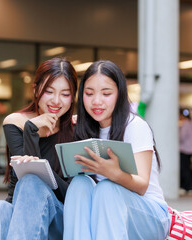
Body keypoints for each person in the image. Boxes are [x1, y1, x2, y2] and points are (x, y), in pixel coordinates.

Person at [63, 60, 170, 240]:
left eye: (106, 94)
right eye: (89, 94)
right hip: (105, 212)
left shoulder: (135, 126)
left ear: (119, 94)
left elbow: (142, 185)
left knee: (107, 188)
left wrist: (113, 173)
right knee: (79, 185)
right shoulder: (82, 127)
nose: (97, 101)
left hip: (149, 215)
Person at [0, 57, 78, 240]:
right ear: (36, 89)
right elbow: (23, 181)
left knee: (32, 181)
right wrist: (31, 128)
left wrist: (40, 166)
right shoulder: (15, 122)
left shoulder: (77, 129)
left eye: (65, 94)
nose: (56, 101)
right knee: (1, 208)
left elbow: (70, 193)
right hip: (21, 221)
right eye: (49, 91)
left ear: (73, 97)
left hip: (59, 218)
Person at [179, 108, 192, 195]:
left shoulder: (185, 124)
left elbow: (181, 137)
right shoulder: (191, 124)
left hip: (184, 149)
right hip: (190, 149)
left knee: (184, 169)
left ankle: (186, 187)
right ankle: (189, 187)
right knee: (187, 168)